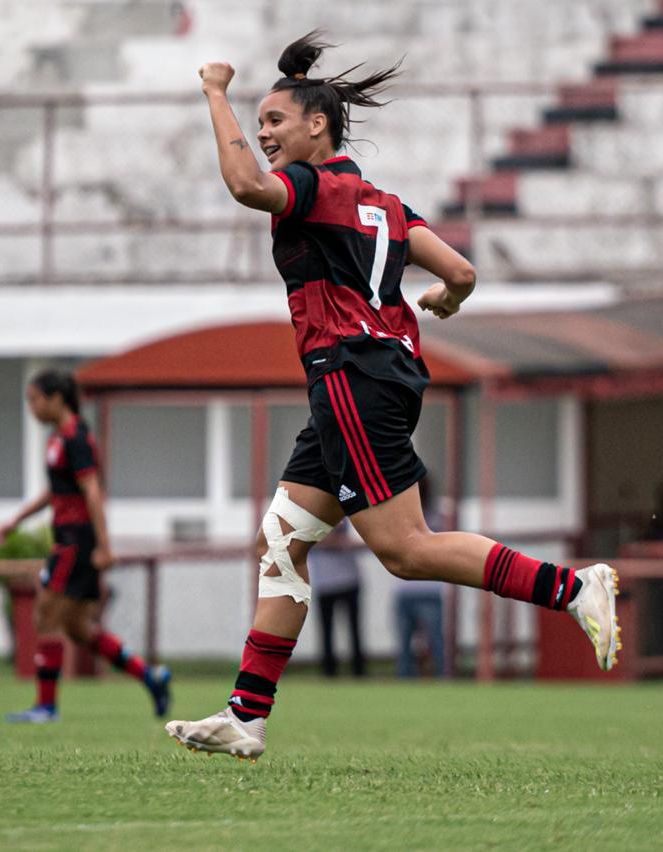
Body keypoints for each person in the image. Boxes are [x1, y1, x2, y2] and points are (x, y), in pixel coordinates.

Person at [165, 32, 619, 761]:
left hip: (351, 376)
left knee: (406, 552)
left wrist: (214, 92)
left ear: (318, 125)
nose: (263, 134)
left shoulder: (311, 189)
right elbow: (464, 272)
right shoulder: (386, 203)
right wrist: (441, 299)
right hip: (371, 377)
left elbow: (248, 187)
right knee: (281, 541)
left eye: (274, 122)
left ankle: (573, 587)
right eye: (257, 124)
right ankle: (246, 715)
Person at [0, 368, 171, 723]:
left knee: (45, 614)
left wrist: (104, 546)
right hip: (70, 537)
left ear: (56, 399)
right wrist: (18, 519)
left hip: (75, 540)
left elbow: (92, 490)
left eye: (34, 399)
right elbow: (58, 491)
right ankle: (149, 676)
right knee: (79, 628)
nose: (31, 407)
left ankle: (46, 707)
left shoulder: (77, 437)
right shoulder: (58, 438)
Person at [393, 476, 446, 678]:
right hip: (423, 589)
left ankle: (437, 678)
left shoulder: (432, 517)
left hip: (415, 588)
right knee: (434, 643)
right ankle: (443, 680)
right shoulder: (437, 518)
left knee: (413, 646)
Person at [308, 520, 365, 677]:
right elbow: (309, 542)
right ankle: (329, 671)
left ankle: (359, 670)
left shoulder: (344, 513)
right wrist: (335, 543)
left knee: (354, 629)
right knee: (326, 630)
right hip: (325, 582)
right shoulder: (311, 514)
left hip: (349, 579)